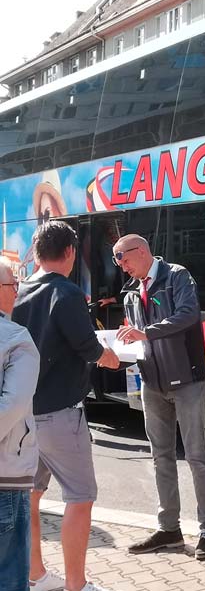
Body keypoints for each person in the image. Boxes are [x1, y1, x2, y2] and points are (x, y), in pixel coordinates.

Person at [12, 221, 119, 591]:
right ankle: (77, 585)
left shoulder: (19, 291)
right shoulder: (67, 292)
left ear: (38, 253)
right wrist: (110, 357)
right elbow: (88, 347)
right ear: (71, 252)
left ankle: (35, 575)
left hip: (24, 414)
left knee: (30, 496)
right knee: (80, 497)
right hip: (60, 414)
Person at [113, 235, 205, 560]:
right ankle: (169, 529)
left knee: (196, 456)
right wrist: (118, 350)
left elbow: (188, 315)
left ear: (141, 251)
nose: (122, 266)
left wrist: (146, 332)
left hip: (186, 380)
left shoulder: (177, 276)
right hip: (152, 382)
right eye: (118, 261)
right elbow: (136, 337)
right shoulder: (132, 290)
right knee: (161, 456)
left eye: (124, 259)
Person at [0, 260, 40, 591]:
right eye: (13, 285)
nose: (17, 292)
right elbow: (12, 405)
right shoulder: (16, 338)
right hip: (6, 477)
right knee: (10, 579)